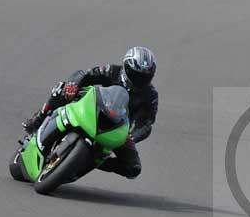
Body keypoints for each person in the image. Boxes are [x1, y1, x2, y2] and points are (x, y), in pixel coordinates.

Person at [23, 47, 158, 179]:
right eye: (136, 74)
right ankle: (38, 119)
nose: (139, 80)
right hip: (94, 109)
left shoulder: (150, 96)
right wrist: (73, 85)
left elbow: (146, 124)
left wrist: (133, 136)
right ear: (126, 68)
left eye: (144, 77)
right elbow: (84, 74)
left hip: (118, 130)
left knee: (133, 168)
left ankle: (94, 161)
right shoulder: (112, 71)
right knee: (61, 90)